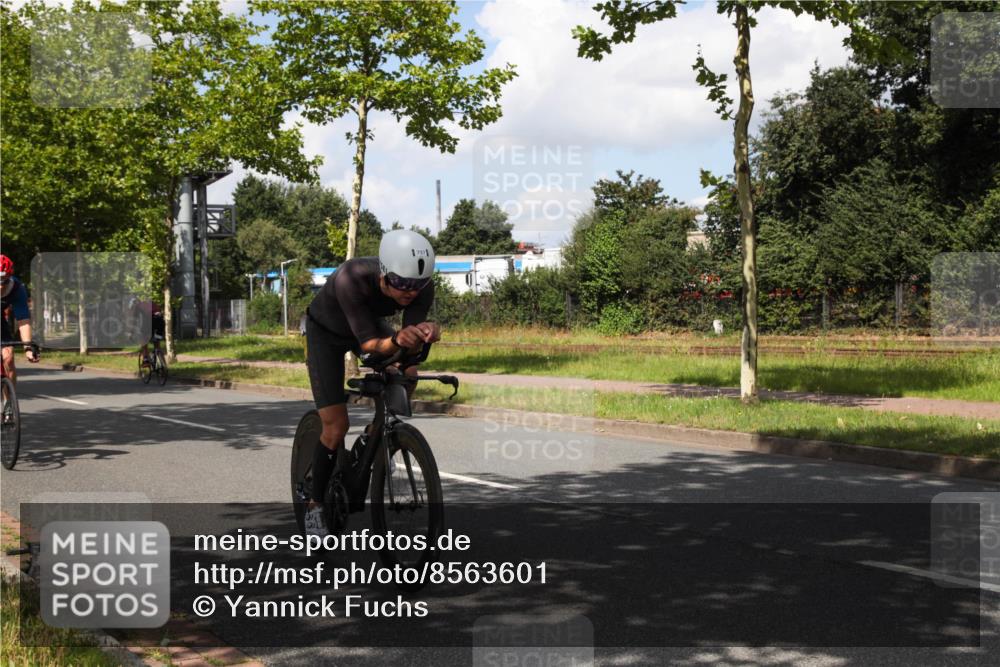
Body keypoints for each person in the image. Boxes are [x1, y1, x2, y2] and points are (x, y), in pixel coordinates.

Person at [303, 230, 441, 536]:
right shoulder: (351, 277)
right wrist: (396, 340)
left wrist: (425, 332)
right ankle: (314, 505)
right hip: (326, 333)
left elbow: (408, 348)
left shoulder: (421, 288)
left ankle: (374, 436)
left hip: (367, 328)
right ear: (383, 273)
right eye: (402, 283)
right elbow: (368, 344)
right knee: (336, 426)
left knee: (408, 373)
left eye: (418, 285)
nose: (410, 293)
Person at [1, 254, 40, 386]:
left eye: (4, 281)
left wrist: (28, 348)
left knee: (9, 357)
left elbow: (23, 319)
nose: (1, 286)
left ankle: (9, 404)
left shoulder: (16, 288)